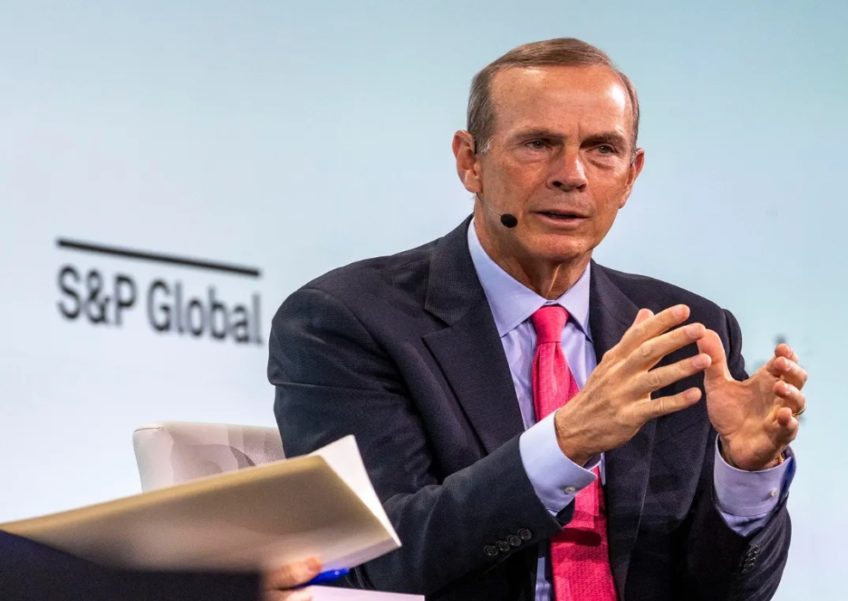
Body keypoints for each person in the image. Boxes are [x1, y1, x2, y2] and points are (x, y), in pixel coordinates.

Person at [268, 38, 807, 601]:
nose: (571, 174)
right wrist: (567, 441)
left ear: (631, 175)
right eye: (538, 144)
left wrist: (746, 474)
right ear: (470, 161)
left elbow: (728, 593)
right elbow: (377, 560)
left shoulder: (686, 334)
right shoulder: (348, 320)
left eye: (602, 149)